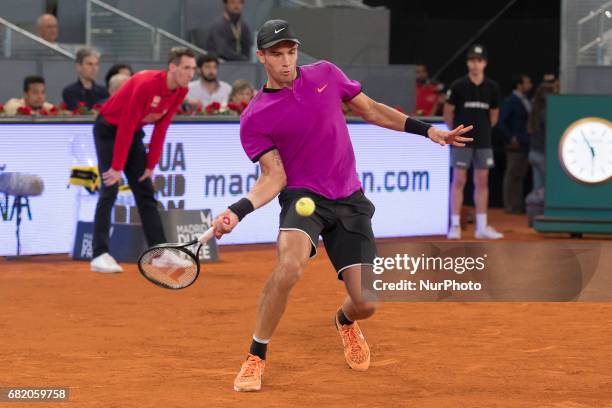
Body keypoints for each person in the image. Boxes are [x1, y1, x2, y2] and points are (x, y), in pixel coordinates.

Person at [210, 19, 473, 392]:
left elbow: (372, 110)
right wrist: (238, 210)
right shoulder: (255, 116)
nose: (286, 62)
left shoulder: (326, 75)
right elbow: (273, 176)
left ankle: (345, 321)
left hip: (349, 198)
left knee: (366, 302)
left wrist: (427, 130)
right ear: (261, 58)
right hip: (303, 199)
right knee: (289, 266)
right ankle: (256, 355)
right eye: (277, 55)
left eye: (291, 52)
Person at [89, 47, 197, 273]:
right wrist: (117, 167)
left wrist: (150, 164)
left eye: (192, 69)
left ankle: (160, 253)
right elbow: (126, 123)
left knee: (146, 191)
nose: (191, 74)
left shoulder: (181, 90)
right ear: (173, 67)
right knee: (110, 188)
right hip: (109, 130)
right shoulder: (146, 83)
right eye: (186, 68)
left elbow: (161, 128)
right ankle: (99, 255)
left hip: (132, 133)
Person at [444, 44, 503, 240]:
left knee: (482, 181)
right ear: (468, 62)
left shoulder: (493, 87)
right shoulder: (458, 86)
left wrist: (484, 131)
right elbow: (448, 113)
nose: (475, 64)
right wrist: (456, 134)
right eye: (472, 60)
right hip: (461, 142)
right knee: (459, 180)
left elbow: (494, 116)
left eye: (479, 60)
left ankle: (482, 227)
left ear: (484, 63)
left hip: (484, 142)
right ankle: (454, 226)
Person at [498, 73, 533, 214]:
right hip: (515, 145)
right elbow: (501, 122)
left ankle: (517, 205)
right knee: (512, 175)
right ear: (519, 85)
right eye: (527, 82)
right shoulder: (510, 101)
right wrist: (511, 137)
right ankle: (509, 205)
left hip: (526, 143)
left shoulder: (526, 100)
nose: (530, 85)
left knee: (520, 175)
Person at [527, 82, 555, 193]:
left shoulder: (534, 111)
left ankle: (535, 209)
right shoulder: (547, 113)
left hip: (533, 153)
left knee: (537, 188)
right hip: (543, 154)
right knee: (548, 188)